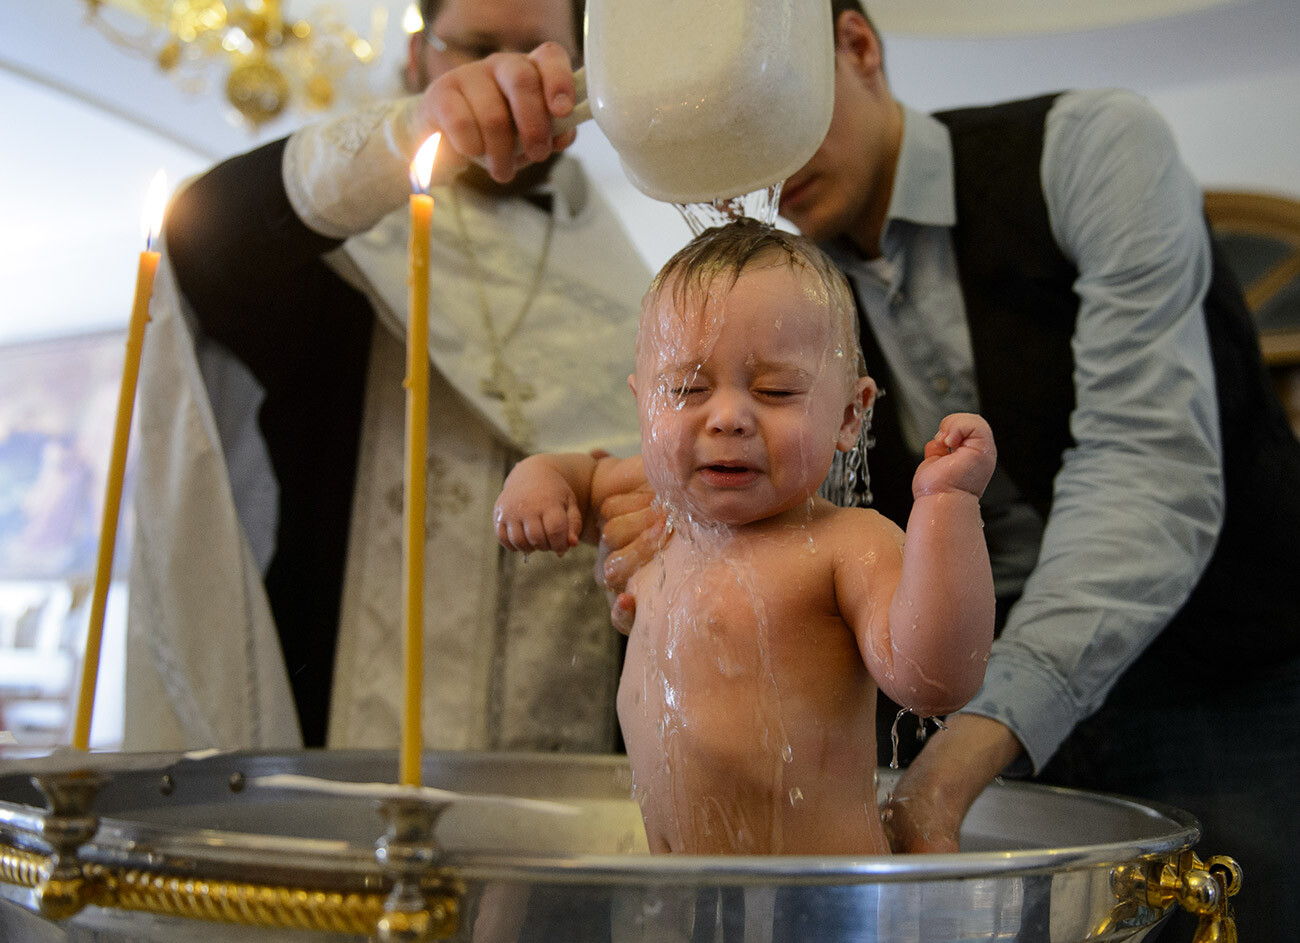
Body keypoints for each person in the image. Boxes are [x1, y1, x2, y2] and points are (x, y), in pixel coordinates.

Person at [412, 1, 1300, 935]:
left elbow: (1145, 471)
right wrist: (616, 498)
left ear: (857, 46)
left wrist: (954, 750)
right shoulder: (787, 304)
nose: (760, 167)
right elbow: (655, 459)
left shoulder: (1090, 147)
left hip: (1213, 661)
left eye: (768, 107)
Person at [122, 0, 651, 755]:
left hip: (562, 781)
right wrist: (404, 135)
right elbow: (202, 243)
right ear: (416, 60)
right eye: (474, 47)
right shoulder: (345, 257)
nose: (510, 78)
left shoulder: (637, 292)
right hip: (339, 751)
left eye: (540, 52)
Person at [494, 221, 996, 854]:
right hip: (682, 905)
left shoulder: (845, 545)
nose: (728, 417)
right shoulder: (656, 504)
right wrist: (535, 480)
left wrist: (946, 507)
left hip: (815, 909)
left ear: (849, 415)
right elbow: (578, 472)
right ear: (644, 402)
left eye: (775, 391)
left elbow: (935, 679)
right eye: (686, 389)